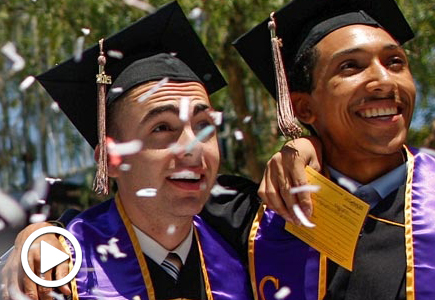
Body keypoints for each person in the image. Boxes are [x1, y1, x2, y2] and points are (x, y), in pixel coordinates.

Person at [233, 0, 435, 299]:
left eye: (395, 62)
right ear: (303, 107)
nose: (383, 80)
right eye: (350, 66)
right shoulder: (253, 226)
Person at [0, 2, 258, 300]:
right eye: (162, 128)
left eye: (204, 126)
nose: (193, 149)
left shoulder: (246, 244)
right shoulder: (60, 272)